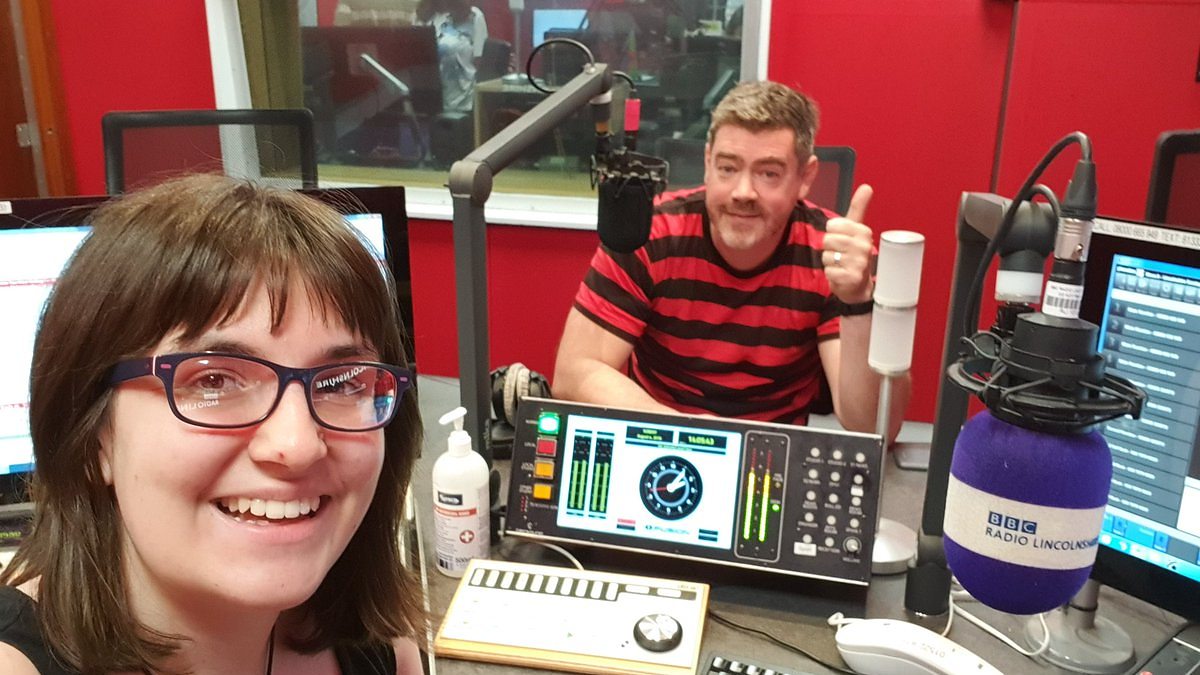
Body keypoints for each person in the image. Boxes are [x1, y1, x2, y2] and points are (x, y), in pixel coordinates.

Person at [0, 175, 425, 674]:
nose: (297, 444)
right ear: (93, 439)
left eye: (341, 383)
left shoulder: (384, 649)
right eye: (214, 381)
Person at [553, 80, 910, 440]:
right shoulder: (648, 234)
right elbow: (574, 374)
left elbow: (872, 426)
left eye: (768, 174)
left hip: (772, 452)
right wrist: (692, 434)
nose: (743, 192)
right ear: (707, 163)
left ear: (806, 177)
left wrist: (857, 302)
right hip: (656, 437)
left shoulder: (836, 257)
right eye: (727, 168)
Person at [417, 0, 489, 112]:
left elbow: (480, 62)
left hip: (461, 101)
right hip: (428, 96)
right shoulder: (425, 16)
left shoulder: (474, 16)